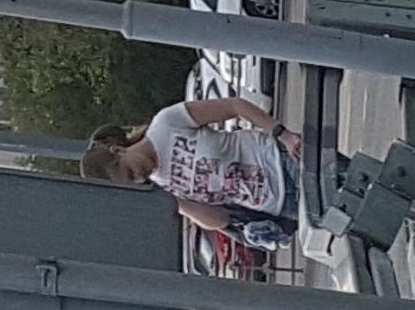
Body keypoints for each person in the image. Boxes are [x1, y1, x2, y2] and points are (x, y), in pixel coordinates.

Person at [86, 94, 299, 250]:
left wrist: (283, 135)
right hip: (280, 205)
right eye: (135, 183)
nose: (140, 178)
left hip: (281, 160)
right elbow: (220, 219)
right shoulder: (161, 187)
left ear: (119, 151)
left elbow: (233, 106)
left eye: (131, 173)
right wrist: (176, 203)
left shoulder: (166, 124)